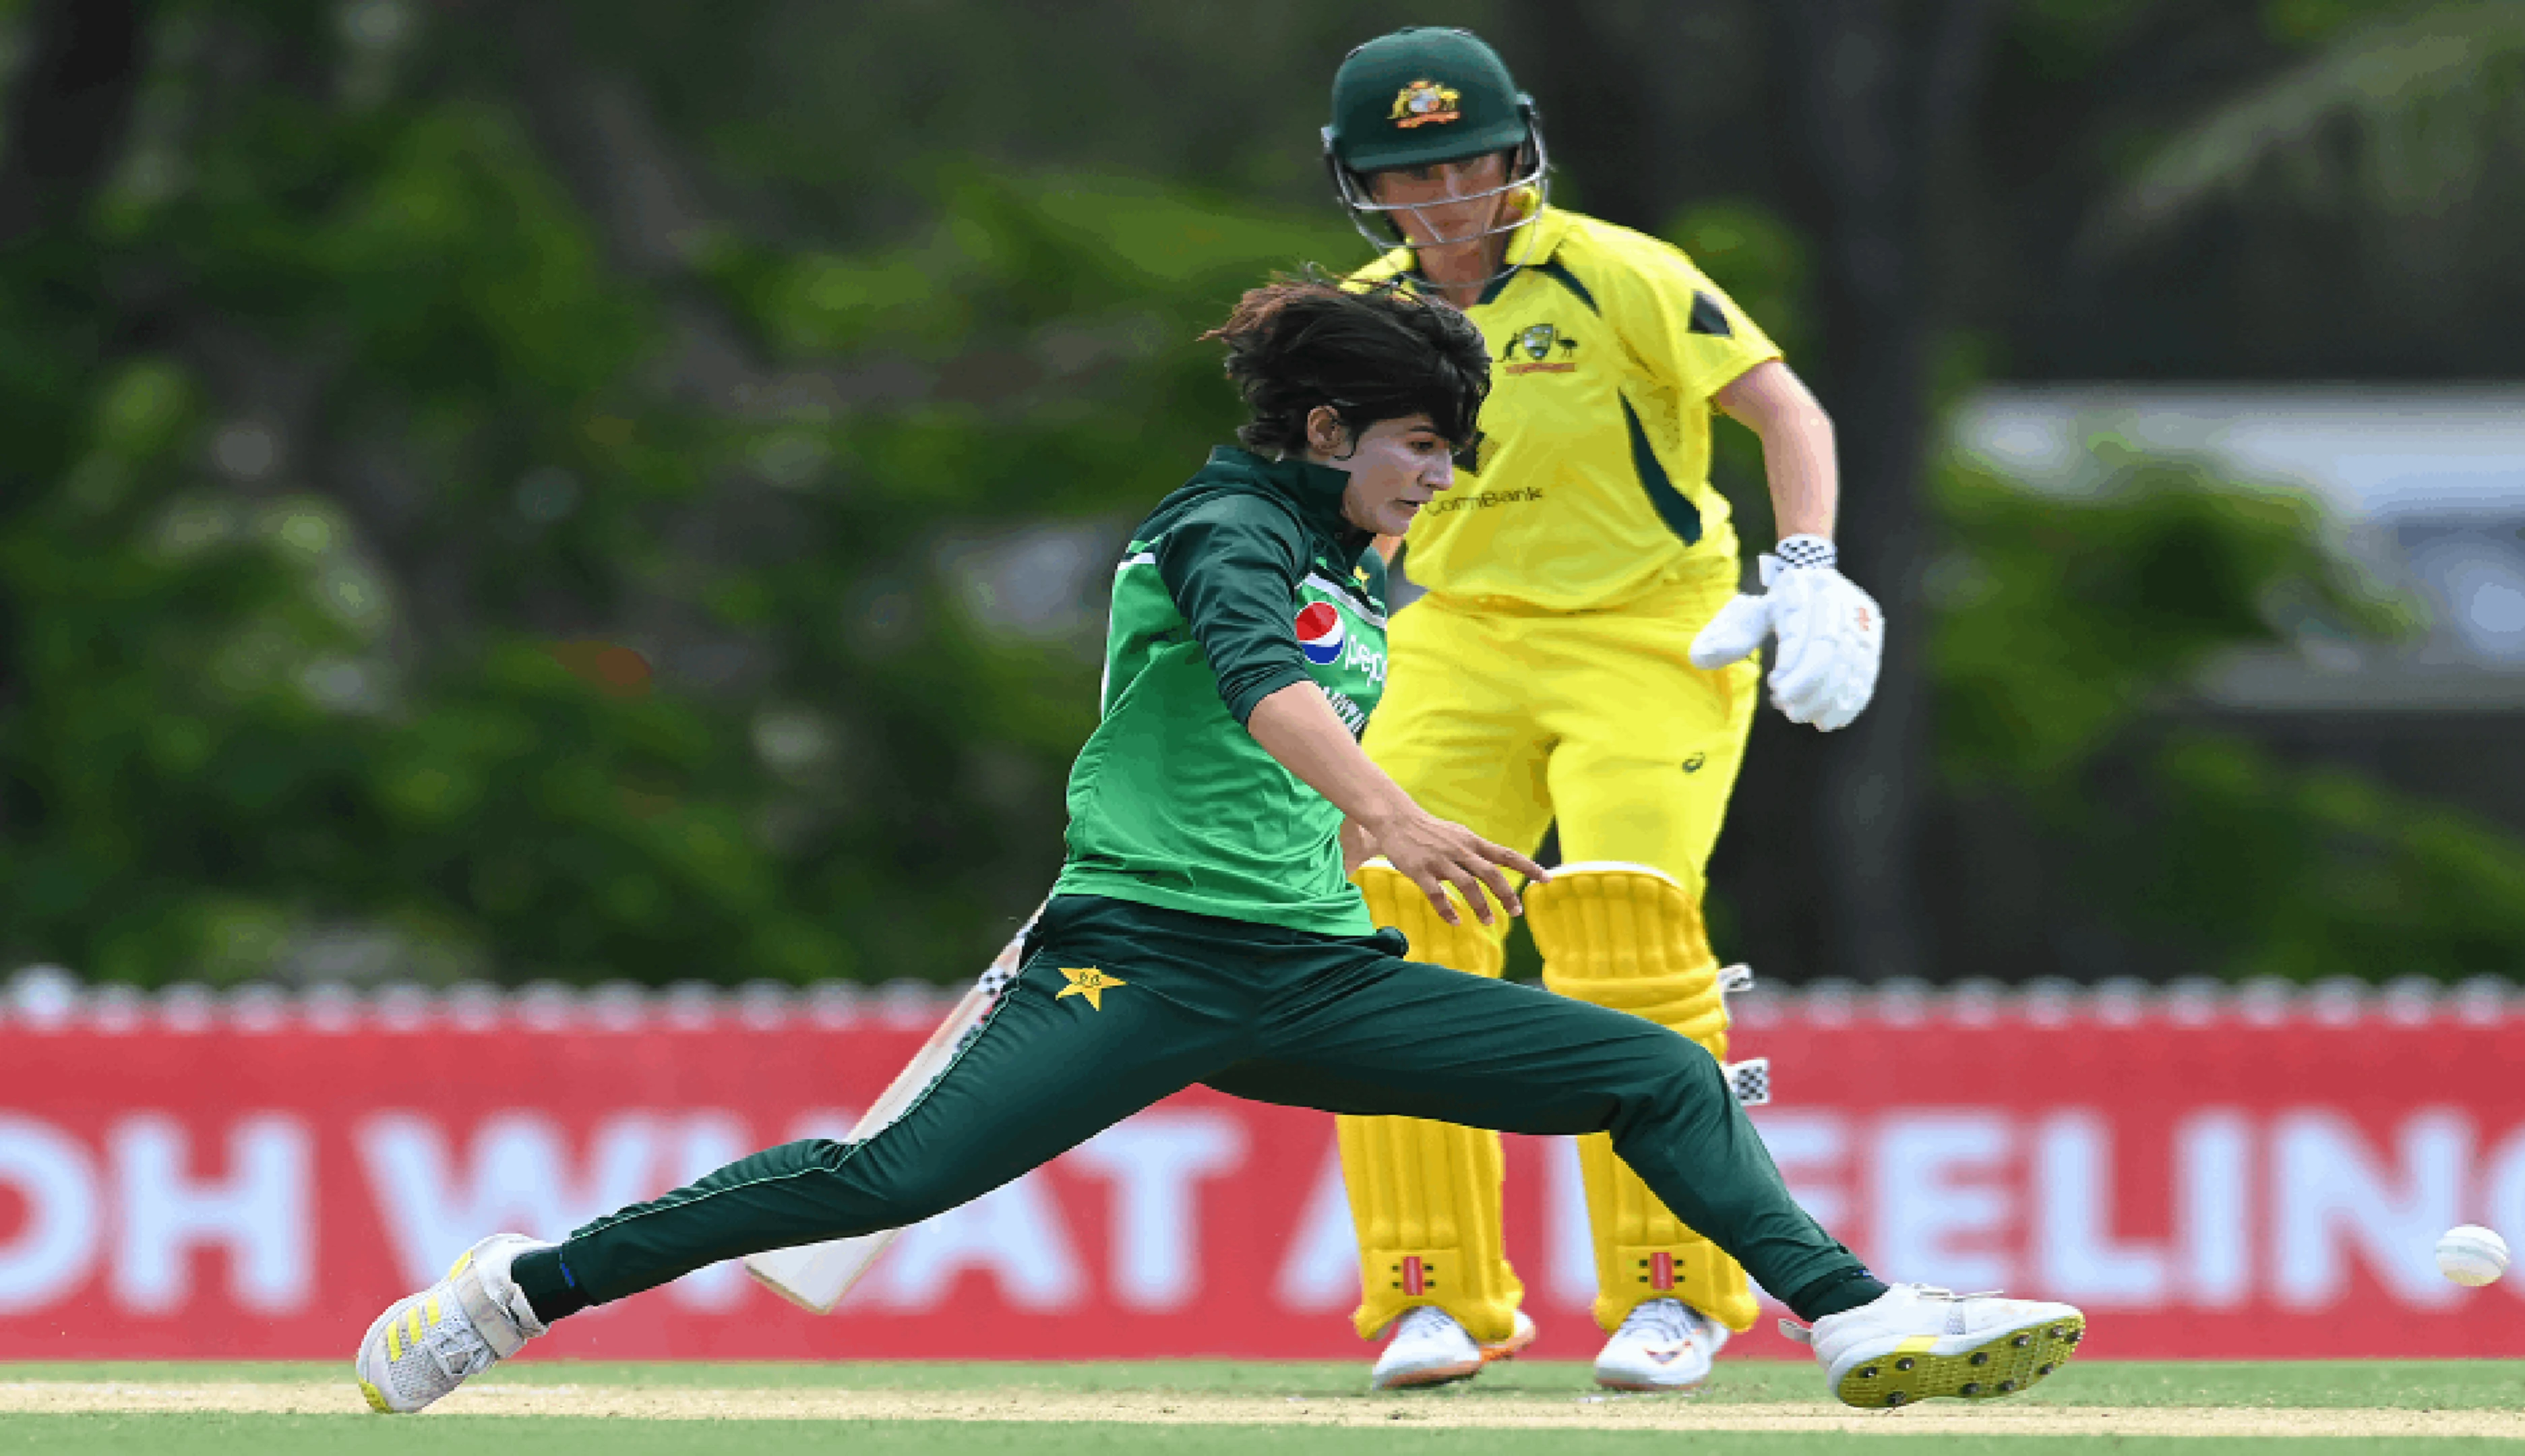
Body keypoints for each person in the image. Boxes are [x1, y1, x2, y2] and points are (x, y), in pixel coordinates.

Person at [353, 276, 2077, 1418]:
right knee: (876, 1187)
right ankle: (519, 1288)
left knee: (1660, 1077)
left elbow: (1315, 687)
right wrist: (1393, 812)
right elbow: (1263, 689)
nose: (1440, 477)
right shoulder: (1217, 528)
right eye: (1422, 445)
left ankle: (1857, 1319)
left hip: (1309, 977)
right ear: (1330, 433)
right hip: (1134, 962)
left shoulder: (1350, 559)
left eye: (1453, 450)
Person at [1314, 28, 1886, 1391]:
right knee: (1393, 934)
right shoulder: (1359, 313)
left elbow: (1787, 412)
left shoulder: (1623, 271)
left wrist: (1804, 567)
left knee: (1622, 922)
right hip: (1457, 639)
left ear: (1521, 148)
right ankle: (1431, 1298)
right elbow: (1333, 498)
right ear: (1364, 186)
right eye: (1414, 176)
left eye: (1470, 162)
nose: (1448, 198)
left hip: (1649, 632)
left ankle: (1674, 1292)